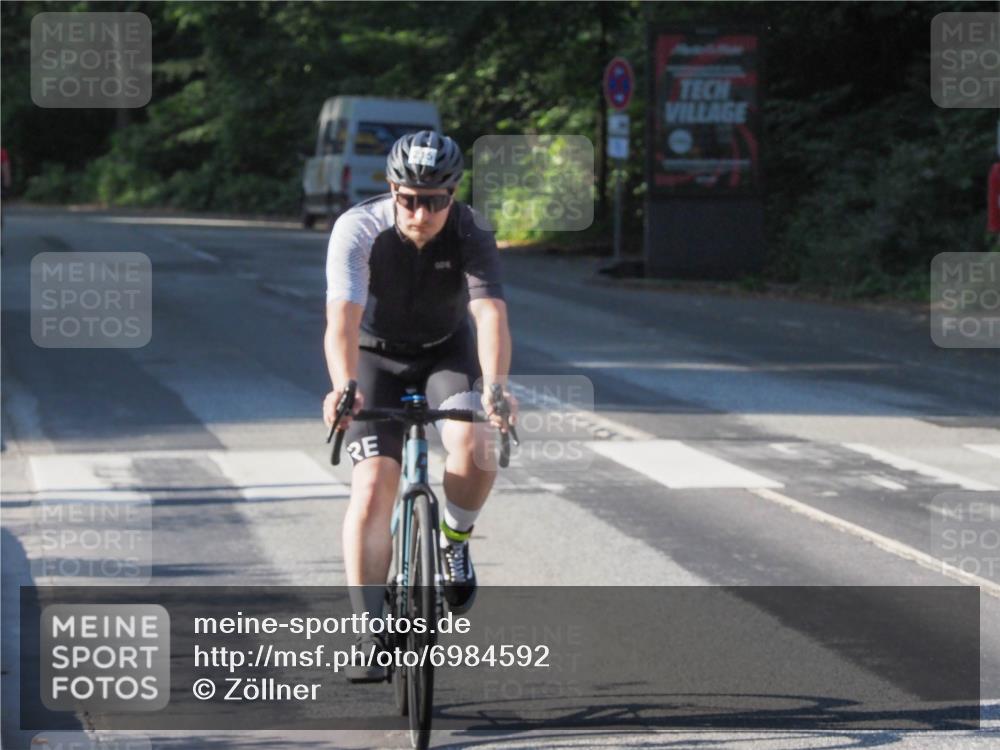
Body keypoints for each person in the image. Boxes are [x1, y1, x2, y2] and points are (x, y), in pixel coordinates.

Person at [322, 130, 517, 682]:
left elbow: (490, 313)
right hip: (373, 358)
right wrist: (343, 385)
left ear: (453, 195)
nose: (421, 212)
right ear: (390, 189)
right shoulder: (357, 228)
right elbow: (342, 320)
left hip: (443, 352)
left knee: (477, 444)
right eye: (409, 198)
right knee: (372, 488)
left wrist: (497, 385)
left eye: (436, 200)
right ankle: (369, 629)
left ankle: (454, 541)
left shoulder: (472, 229)